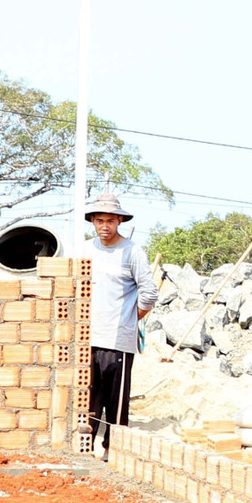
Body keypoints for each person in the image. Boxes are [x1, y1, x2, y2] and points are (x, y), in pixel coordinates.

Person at [79, 192, 157, 458]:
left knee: (116, 402)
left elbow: (149, 293)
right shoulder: (86, 250)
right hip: (88, 338)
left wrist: (129, 319)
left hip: (118, 341)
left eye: (110, 220)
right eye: (99, 220)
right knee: (88, 398)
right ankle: (85, 449)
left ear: (120, 221)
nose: (105, 226)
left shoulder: (132, 252)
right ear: (92, 221)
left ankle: (113, 450)